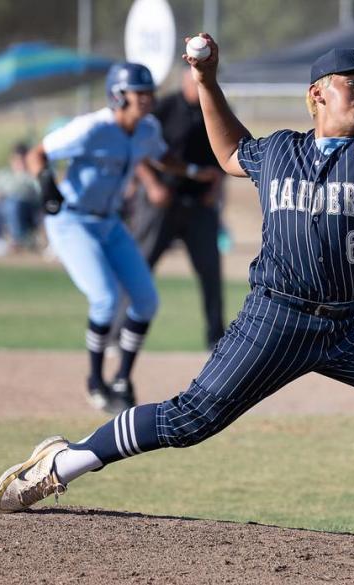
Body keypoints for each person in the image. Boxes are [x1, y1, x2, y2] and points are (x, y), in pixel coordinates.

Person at [0, 38, 354, 569]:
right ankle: (60, 464)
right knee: (190, 420)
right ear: (318, 94)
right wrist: (208, 80)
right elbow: (228, 152)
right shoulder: (279, 153)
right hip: (276, 317)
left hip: (352, 324)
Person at [27, 61, 214, 414]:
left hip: (109, 222)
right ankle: (95, 382)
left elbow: (161, 157)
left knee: (146, 301)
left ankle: (122, 378)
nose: (145, 99)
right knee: (106, 299)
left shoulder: (146, 128)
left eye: (148, 92)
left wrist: (192, 171)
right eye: (137, 92)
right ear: (117, 94)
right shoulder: (91, 128)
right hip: (72, 221)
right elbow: (37, 155)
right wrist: (47, 184)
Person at [115, 69, 227, 349]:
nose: (201, 86)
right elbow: (136, 149)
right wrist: (152, 185)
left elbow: (229, 151)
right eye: (195, 80)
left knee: (211, 272)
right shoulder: (163, 107)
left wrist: (215, 188)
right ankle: (116, 335)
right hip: (160, 202)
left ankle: (216, 339)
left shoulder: (217, 108)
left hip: (199, 204)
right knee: (139, 267)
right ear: (185, 81)